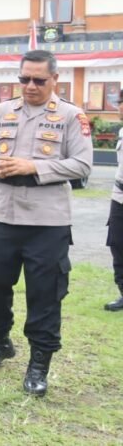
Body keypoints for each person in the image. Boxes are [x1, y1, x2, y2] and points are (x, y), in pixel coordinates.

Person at [0, 50, 93, 397]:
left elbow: (83, 165)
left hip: (48, 223)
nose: (31, 86)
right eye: (24, 79)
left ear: (55, 79)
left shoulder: (71, 116)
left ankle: (39, 363)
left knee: (45, 295)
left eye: (39, 80)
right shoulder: (0, 112)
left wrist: (34, 168)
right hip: (5, 217)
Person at [104, 88, 123, 312]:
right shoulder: (121, 132)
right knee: (117, 244)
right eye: (120, 102)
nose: (120, 107)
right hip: (119, 197)